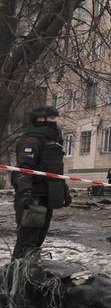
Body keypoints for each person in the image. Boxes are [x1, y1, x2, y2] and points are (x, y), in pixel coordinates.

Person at [13, 106, 71, 259]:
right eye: (50, 118)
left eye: (54, 118)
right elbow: (24, 170)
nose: (54, 121)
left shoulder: (53, 143)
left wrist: (64, 190)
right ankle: (16, 276)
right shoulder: (31, 141)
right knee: (27, 241)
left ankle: (29, 273)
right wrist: (25, 194)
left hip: (48, 196)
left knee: (38, 240)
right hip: (34, 197)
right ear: (39, 119)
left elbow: (54, 170)